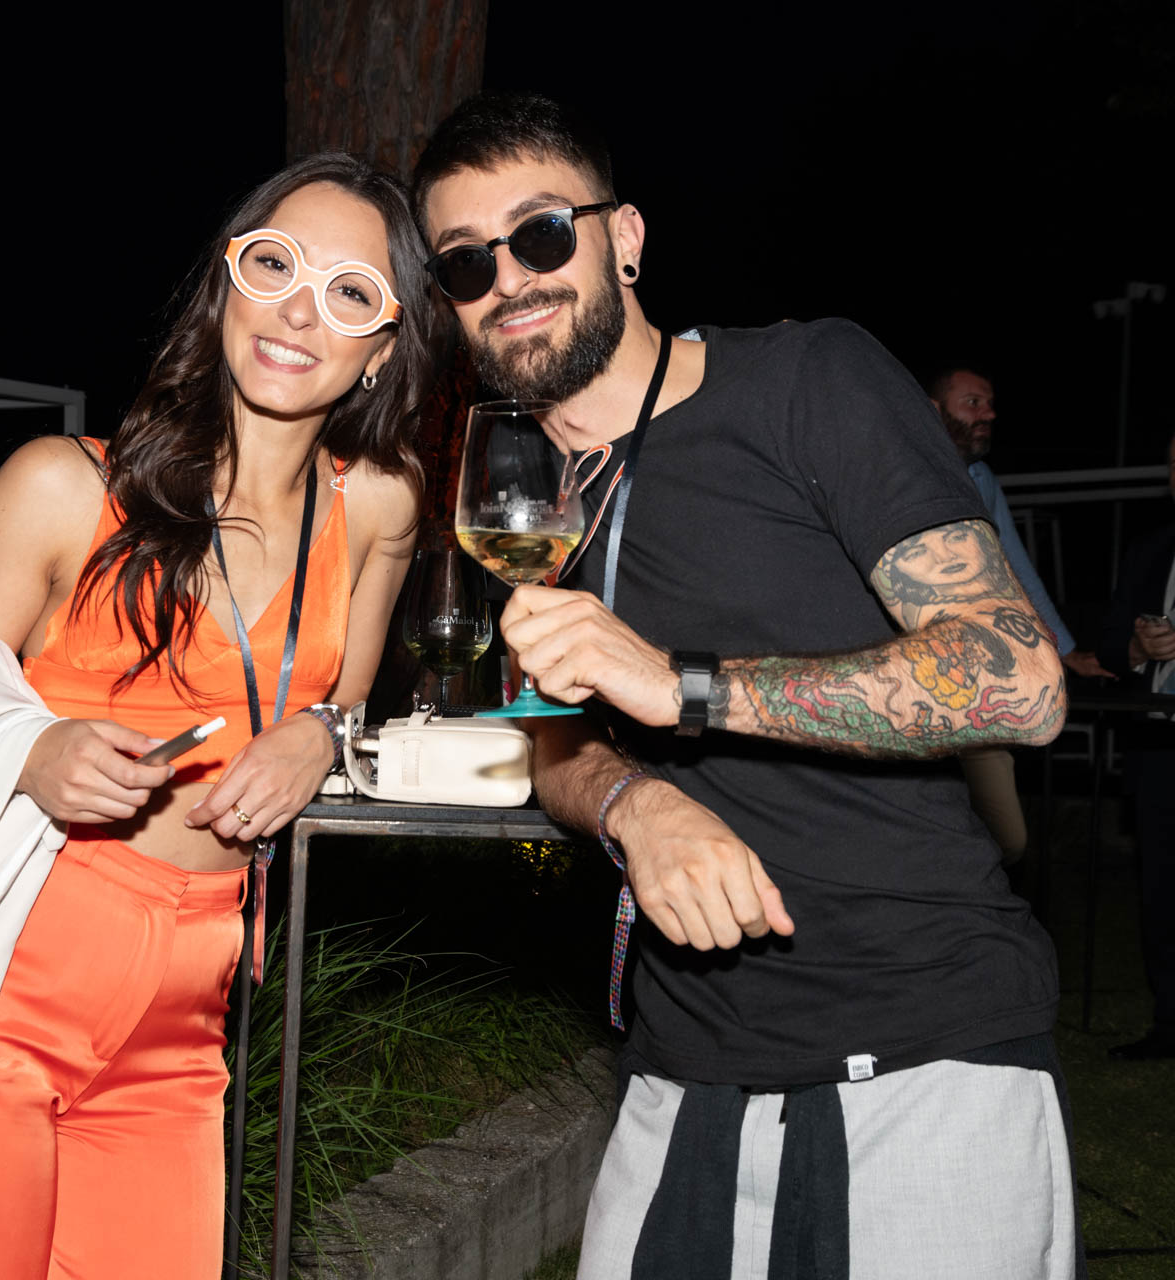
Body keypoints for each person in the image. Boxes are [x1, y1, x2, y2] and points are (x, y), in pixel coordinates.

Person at [413, 93, 1078, 1278]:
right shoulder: (524, 500)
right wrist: (634, 802)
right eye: (466, 261)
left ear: (623, 237)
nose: (506, 277)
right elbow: (552, 740)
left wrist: (681, 684)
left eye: (541, 234)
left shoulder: (804, 379)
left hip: (922, 1042)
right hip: (681, 1063)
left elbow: (1018, 683)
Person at [0, 152, 435, 1279]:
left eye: (351, 291)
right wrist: (31, 752)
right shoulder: (62, 487)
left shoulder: (380, 508)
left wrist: (317, 734)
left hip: (185, 1027)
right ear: (226, 279)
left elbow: (348, 698)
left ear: (382, 348)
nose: (301, 310)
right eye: (276, 264)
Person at [926, 365, 1111, 860]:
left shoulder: (982, 480)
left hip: (973, 685)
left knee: (1007, 839)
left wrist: (1064, 650)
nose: (988, 413)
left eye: (990, 404)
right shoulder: (900, 470)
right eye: (973, 403)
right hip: (906, 681)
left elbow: (1016, 568)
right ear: (934, 410)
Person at [1097, 431, 1175, 1060]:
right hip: (1159, 745)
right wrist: (1135, 648)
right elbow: (1109, 643)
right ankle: (1170, 1024)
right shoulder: (1151, 549)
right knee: (1162, 889)